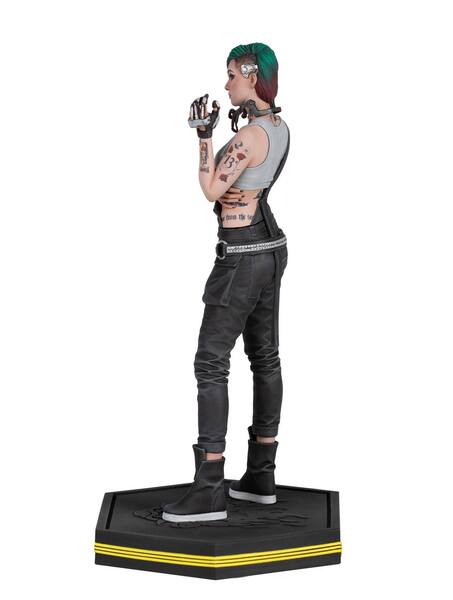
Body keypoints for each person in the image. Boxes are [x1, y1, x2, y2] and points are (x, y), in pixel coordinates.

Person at [162, 43, 290, 523]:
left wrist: (202, 136)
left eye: (232, 74)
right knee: (265, 357)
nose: (226, 83)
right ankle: (261, 476)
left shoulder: (251, 136)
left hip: (241, 256)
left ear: (252, 77)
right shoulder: (279, 127)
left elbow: (211, 189)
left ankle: (209, 488)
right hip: (270, 246)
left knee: (211, 362)